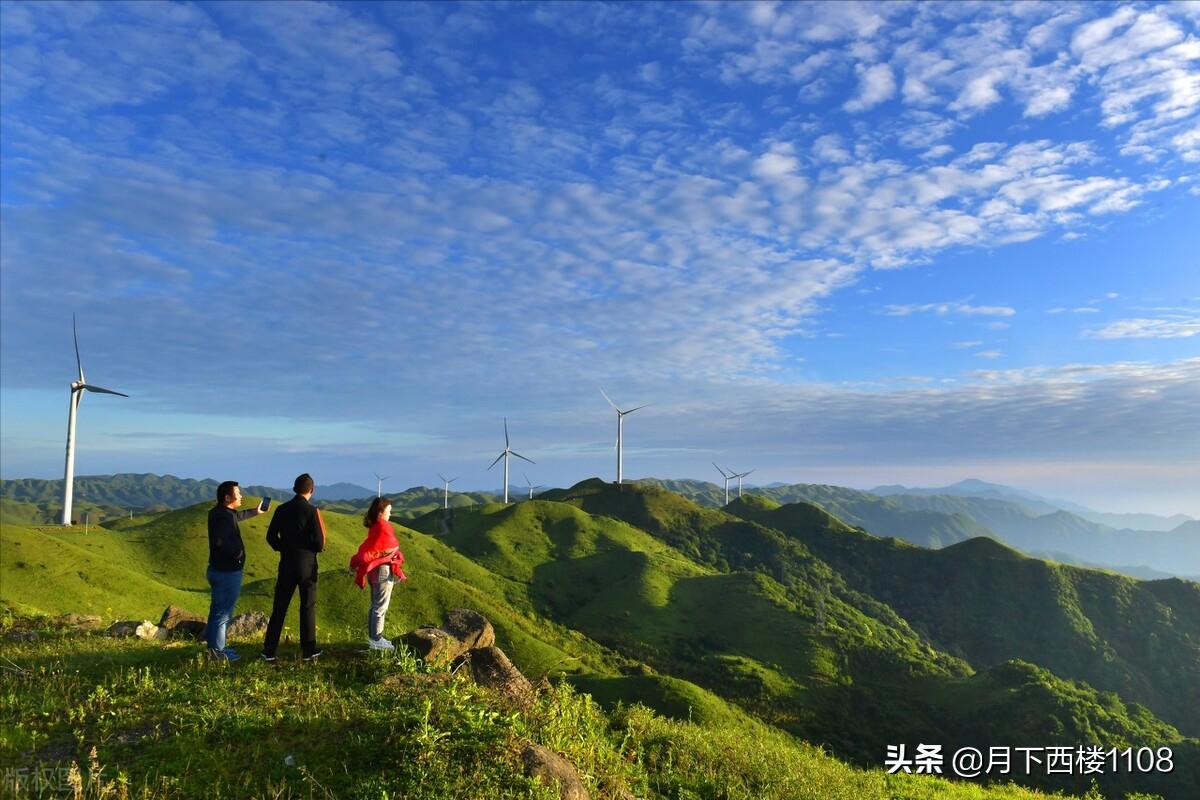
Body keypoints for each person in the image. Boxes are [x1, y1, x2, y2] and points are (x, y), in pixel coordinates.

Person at [261, 473, 326, 662]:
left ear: (294, 489)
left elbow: (270, 537)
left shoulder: (281, 509)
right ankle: (308, 650)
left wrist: (283, 548)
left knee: (279, 607)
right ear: (312, 490)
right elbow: (320, 543)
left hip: (286, 563)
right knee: (307, 606)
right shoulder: (313, 511)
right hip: (307, 565)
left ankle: (269, 650)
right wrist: (308, 549)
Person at [205, 480, 266, 661]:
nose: (241, 496)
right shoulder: (224, 517)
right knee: (223, 614)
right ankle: (218, 653)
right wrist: (237, 554)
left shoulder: (220, 513)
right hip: (227, 573)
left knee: (217, 611)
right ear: (227, 497)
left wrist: (255, 511)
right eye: (238, 493)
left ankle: (214, 649)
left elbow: (235, 517)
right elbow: (220, 542)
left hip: (218, 570)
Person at [349, 496, 406, 651]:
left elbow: (373, 548)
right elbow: (389, 546)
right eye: (389, 511)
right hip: (382, 570)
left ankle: (374, 638)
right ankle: (376, 640)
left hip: (374, 570)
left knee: (375, 605)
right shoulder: (383, 526)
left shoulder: (374, 526)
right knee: (380, 606)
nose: (390, 514)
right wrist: (392, 554)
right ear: (381, 512)